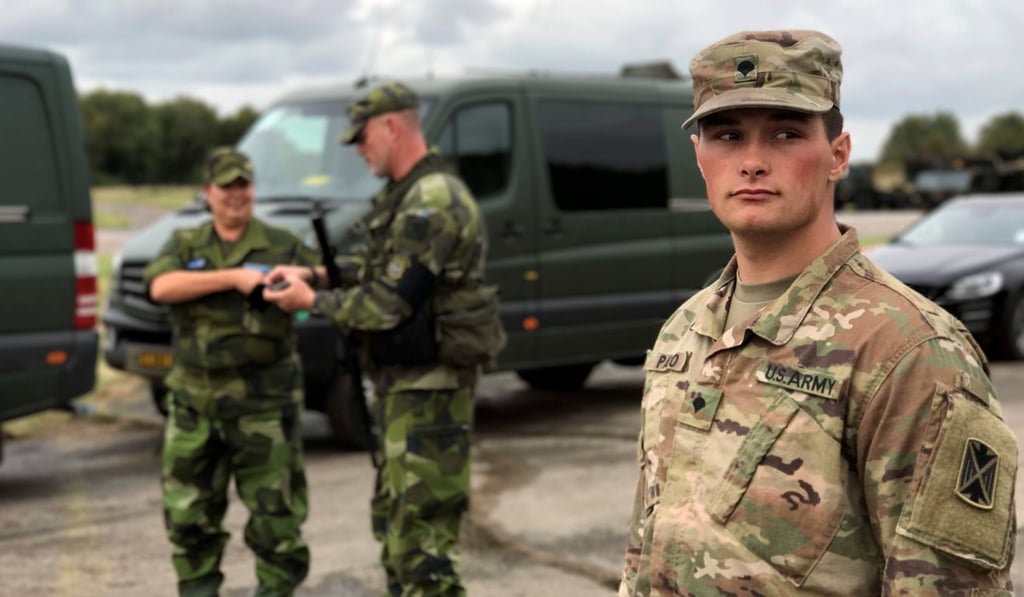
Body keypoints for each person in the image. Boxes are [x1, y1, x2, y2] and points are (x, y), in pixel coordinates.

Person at [618, 30, 1017, 596]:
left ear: (838, 155)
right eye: (727, 136)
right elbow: (647, 539)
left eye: (785, 134)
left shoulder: (909, 350)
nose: (752, 162)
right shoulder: (686, 329)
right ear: (699, 158)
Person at [265, 81, 504, 597]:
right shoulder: (409, 194)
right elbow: (385, 271)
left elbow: (387, 305)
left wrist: (311, 303)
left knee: (423, 550)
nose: (357, 148)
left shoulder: (431, 200)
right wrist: (316, 275)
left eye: (362, 136)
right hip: (406, 388)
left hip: (429, 392)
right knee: (398, 528)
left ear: (392, 127)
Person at [145, 148, 318, 597]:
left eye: (244, 185)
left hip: (265, 403)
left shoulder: (282, 242)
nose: (236, 195)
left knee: (277, 522)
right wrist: (234, 278)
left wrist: (309, 274)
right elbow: (161, 287)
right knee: (189, 519)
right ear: (207, 194)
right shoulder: (186, 244)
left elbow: (326, 277)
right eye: (226, 187)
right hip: (194, 405)